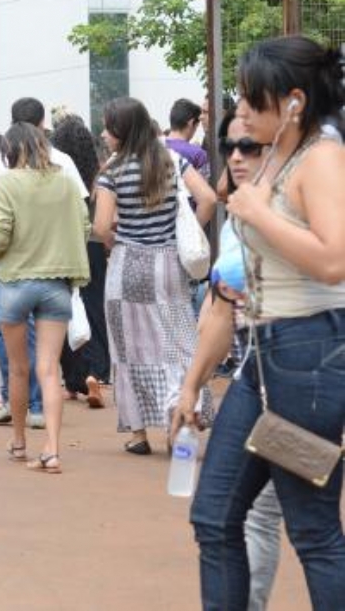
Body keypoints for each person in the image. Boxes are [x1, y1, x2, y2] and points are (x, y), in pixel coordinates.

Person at [183, 36, 345, 610]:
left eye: (253, 100)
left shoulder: (322, 156)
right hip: (264, 359)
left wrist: (253, 212)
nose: (242, 111)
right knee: (214, 515)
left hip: (307, 361)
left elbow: (333, 260)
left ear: (294, 102)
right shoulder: (281, 153)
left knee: (313, 531)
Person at [172, 111, 284, 611]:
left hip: (292, 389)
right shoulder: (245, 212)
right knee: (243, 516)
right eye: (230, 147)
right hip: (257, 381)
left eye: (251, 147)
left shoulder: (286, 207)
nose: (237, 156)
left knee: (303, 527)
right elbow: (219, 312)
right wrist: (192, 385)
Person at [93, 96, 216, 455]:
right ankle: (180, 421)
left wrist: (118, 238)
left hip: (127, 266)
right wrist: (186, 232)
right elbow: (207, 199)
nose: (103, 133)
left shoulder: (111, 172)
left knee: (130, 351)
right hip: (168, 265)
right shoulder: (173, 161)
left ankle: (138, 433)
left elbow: (101, 225)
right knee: (177, 345)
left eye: (107, 127)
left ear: (121, 131)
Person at [0, 97, 89, 428]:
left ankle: (17, 425)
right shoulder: (64, 166)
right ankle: (49, 437)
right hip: (56, 276)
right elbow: (82, 217)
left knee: (16, 358)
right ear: (42, 127)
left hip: (13, 274)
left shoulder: (0, 168)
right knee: (49, 366)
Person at [51, 114, 110, 408]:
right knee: (93, 304)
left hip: (64, 242)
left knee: (66, 307)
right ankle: (96, 374)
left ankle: (73, 381)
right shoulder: (96, 171)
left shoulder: (57, 166)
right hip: (93, 243)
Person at [165, 98, 211, 183]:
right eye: (197, 126)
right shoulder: (198, 154)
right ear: (191, 123)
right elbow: (204, 188)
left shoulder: (155, 148)